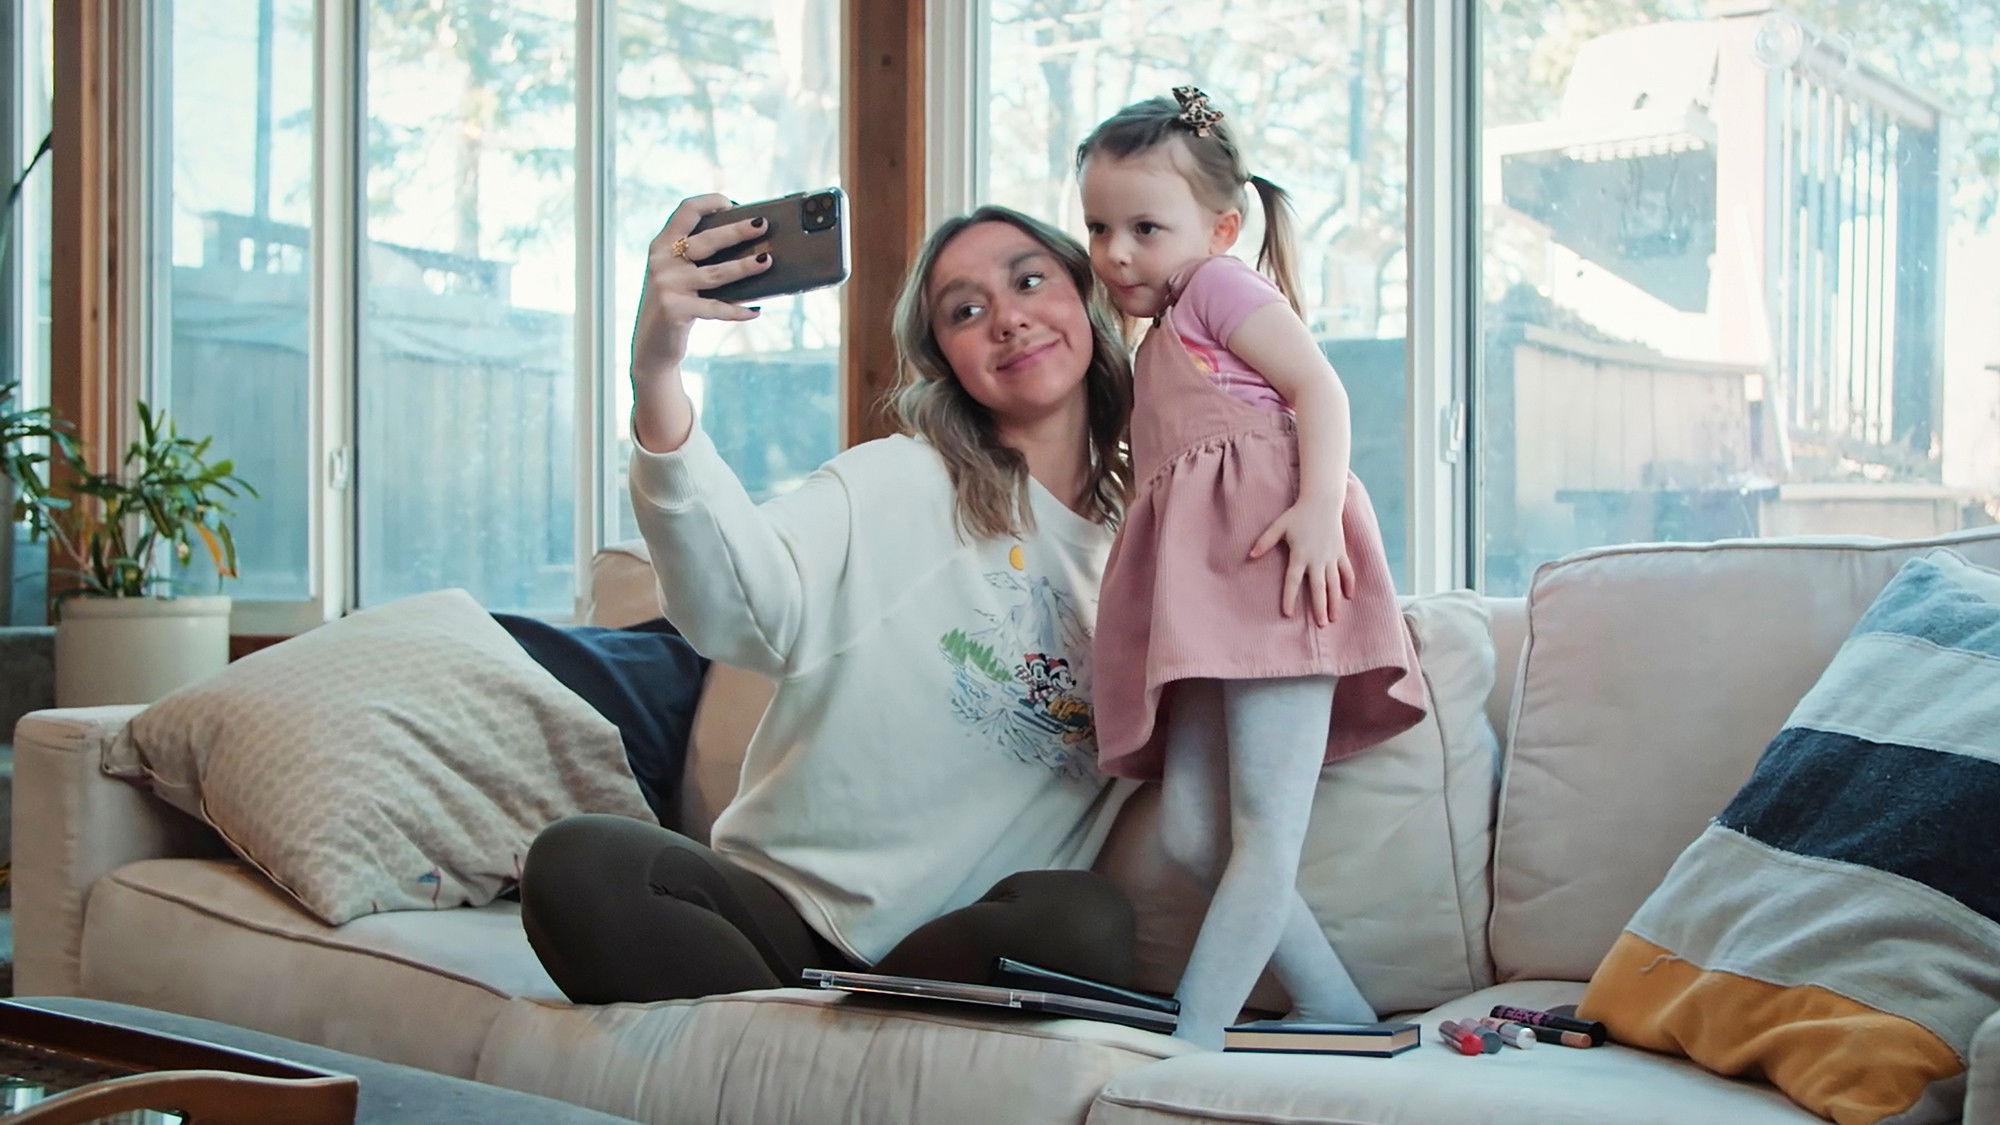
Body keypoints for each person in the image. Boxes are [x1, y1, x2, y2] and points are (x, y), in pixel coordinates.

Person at [519, 195, 1144, 1006]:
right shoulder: (897, 479)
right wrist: (657, 373)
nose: (1008, 318)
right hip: (775, 912)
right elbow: (735, 604)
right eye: (966, 310)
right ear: (946, 359)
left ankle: (797, 1034)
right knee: (579, 862)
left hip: (958, 945)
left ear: (1087, 300)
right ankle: (835, 1036)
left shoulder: (1150, 552)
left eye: (1030, 281)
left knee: (1087, 922)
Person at [1074, 86, 1429, 1048]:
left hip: (1278, 581)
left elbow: (1320, 387)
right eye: (1100, 228)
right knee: (1192, 834)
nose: (1116, 253)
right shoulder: (1157, 340)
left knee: (1265, 833)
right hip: (1212, 609)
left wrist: (1318, 511)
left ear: (1221, 228)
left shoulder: (1218, 289)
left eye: (1145, 228)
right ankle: (1336, 1004)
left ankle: (1189, 1039)